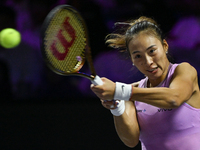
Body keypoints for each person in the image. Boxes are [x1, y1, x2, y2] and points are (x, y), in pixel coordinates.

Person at [90, 16, 200, 149]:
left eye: (152, 51)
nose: (148, 62)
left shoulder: (184, 70)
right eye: (137, 56)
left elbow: (174, 98)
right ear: (131, 59)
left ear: (165, 46)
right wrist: (116, 107)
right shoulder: (131, 93)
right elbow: (130, 140)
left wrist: (119, 91)